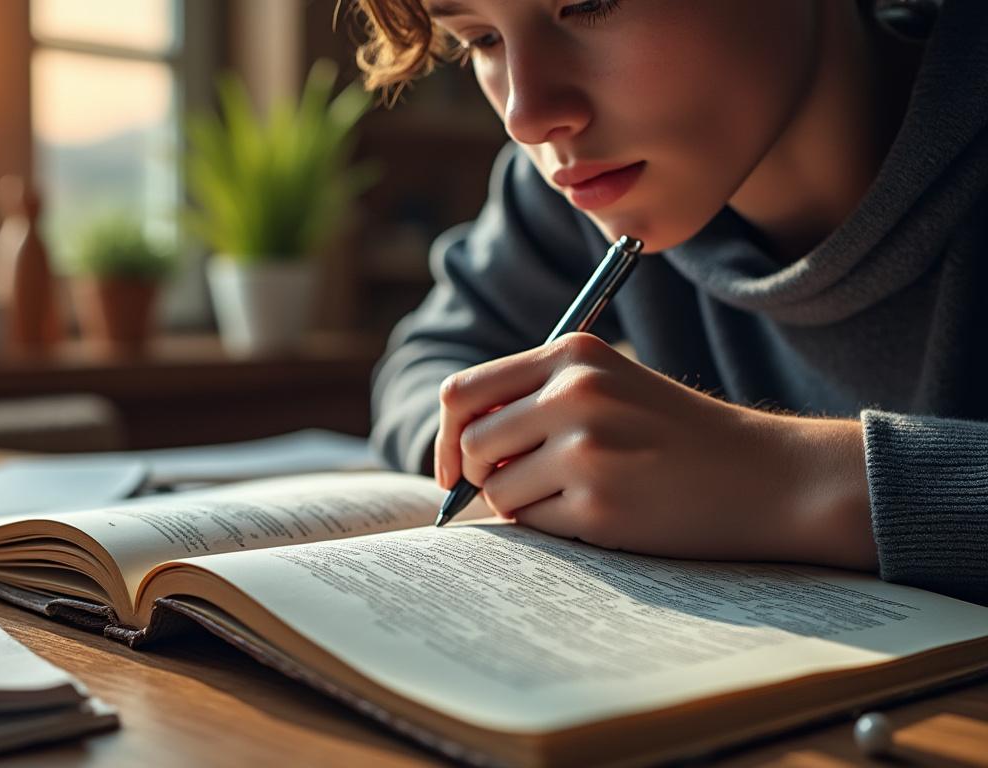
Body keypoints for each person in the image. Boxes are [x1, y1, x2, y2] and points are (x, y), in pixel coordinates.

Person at [354, 0, 988, 603]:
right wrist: (509, 451)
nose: (526, 115)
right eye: (481, 39)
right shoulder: (583, 183)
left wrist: (781, 480)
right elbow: (432, 357)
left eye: (591, 4)